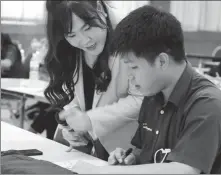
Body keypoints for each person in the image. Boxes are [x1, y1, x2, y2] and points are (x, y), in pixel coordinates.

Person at [72, 5, 221, 174]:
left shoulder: (207, 104)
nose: (129, 76)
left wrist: (106, 172)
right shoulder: (153, 94)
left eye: (133, 67)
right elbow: (143, 151)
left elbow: (185, 169)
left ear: (162, 62)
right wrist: (130, 158)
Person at [44, 0, 143, 160]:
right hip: (101, 151)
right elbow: (85, 96)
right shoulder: (76, 53)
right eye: (72, 35)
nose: (84, 40)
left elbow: (141, 99)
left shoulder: (132, 43)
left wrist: (91, 120)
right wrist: (73, 121)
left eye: (87, 28)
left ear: (99, 9)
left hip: (132, 152)